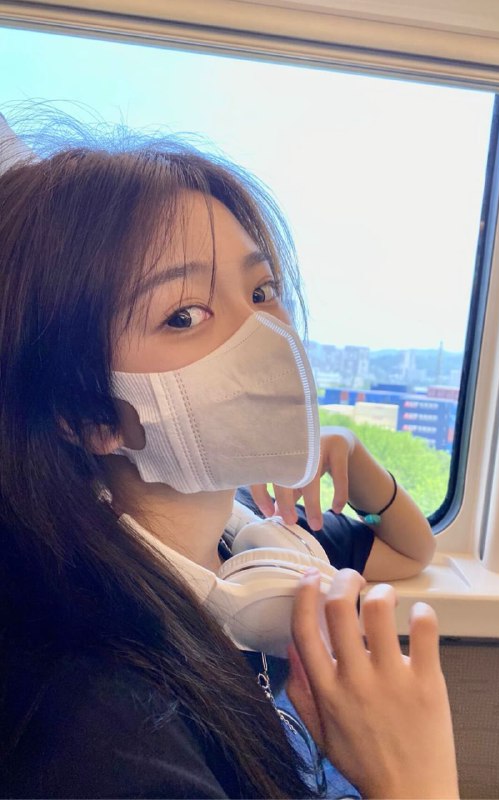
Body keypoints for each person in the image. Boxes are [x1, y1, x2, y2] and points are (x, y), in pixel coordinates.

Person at [0, 119, 459, 799]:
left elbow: (410, 548)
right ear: (88, 414)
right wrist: (412, 780)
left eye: (262, 291)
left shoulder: (248, 534)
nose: (265, 336)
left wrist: (358, 462)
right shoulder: (98, 722)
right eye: (184, 315)